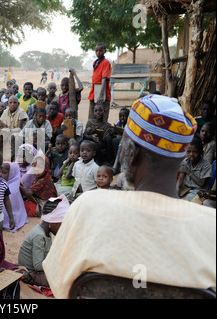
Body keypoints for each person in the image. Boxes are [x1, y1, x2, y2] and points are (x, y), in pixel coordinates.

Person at [43, 94, 216, 298]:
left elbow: (60, 286)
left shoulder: (87, 207)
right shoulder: (211, 226)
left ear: (131, 152)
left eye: (123, 143)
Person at [18, 196, 67, 288]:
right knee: (62, 281)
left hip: (40, 269)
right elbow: (37, 266)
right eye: (61, 225)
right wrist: (55, 262)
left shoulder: (46, 232)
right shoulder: (39, 235)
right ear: (52, 223)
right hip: (31, 273)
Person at [0, 162, 28, 232]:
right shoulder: (0, 183)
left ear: (11, 174)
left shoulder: (12, 188)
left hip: (8, 215)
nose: (0, 175)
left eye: (4, 173)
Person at [88, 43, 112, 122]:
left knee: (103, 117)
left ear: (105, 51)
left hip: (102, 92)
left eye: (101, 51)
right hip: (94, 91)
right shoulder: (95, 62)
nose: (98, 52)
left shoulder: (106, 63)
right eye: (96, 51)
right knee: (92, 116)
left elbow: (104, 79)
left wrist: (101, 95)